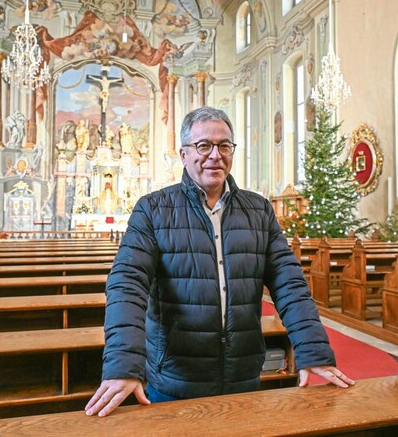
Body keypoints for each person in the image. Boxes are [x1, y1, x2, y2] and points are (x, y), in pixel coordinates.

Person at [85, 106, 353, 418]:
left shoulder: (259, 210)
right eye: (203, 146)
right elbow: (126, 286)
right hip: (175, 379)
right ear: (183, 154)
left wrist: (312, 350)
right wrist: (123, 364)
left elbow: (289, 283)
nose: (215, 155)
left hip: (243, 375)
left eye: (224, 145)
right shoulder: (153, 210)